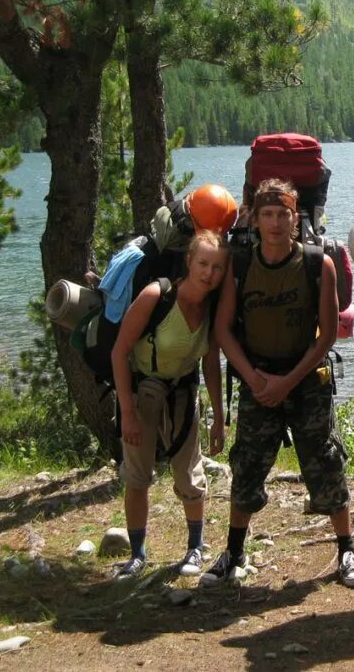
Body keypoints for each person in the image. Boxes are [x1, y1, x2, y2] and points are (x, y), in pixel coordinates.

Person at [203, 179, 354, 589]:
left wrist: (288, 382)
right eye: (268, 214)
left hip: (307, 380)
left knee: (327, 461)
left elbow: (327, 334)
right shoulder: (240, 265)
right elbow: (223, 330)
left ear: (297, 219)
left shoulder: (317, 264)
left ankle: (347, 550)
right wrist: (256, 378)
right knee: (246, 464)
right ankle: (234, 553)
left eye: (284, 214)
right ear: (255, 219)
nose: (276, 223)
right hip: (257, 380)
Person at [111, 230, 229, 579]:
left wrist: (219, 419)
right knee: (137, 475)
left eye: (218, 267)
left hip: (183, 393)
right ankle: (136, 555)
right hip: (142, 393)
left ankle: (195, 548)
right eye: (203, 264)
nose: (209, 273)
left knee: (189, 474)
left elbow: (210, 364)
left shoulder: (211, 307)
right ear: (189, 261)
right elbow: (119, 352)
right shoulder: (156, 296)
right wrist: (127, 414)